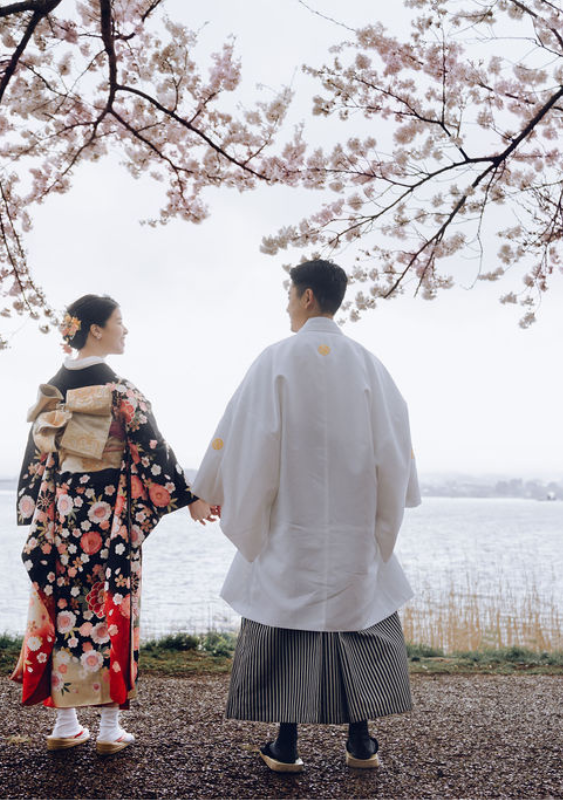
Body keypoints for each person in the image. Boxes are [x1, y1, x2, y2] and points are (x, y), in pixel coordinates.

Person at [193, 259, 421, 772]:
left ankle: (287, 742)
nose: (287, 304)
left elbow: (246, 435)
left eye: (290, 294)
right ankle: (361, 741)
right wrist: (391, 504)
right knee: (357, 616)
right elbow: (396, 441)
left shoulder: (276, 359)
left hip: (289, 522)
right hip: (354, 521)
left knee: (286, 622)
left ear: (309, 297)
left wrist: (210, 489)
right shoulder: (369, 365)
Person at [11, 294, 216, 754]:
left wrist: (32, 507)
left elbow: (37, 460)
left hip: (63, 514)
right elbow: (154, 451)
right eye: (120, 321)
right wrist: (190, 497)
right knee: (111, 607)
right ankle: (108, 729)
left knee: (63, 605)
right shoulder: (121, 391)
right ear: (96, 329)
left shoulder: (51, 392)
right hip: (109, 515)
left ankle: (65, 724)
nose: (126, 329)